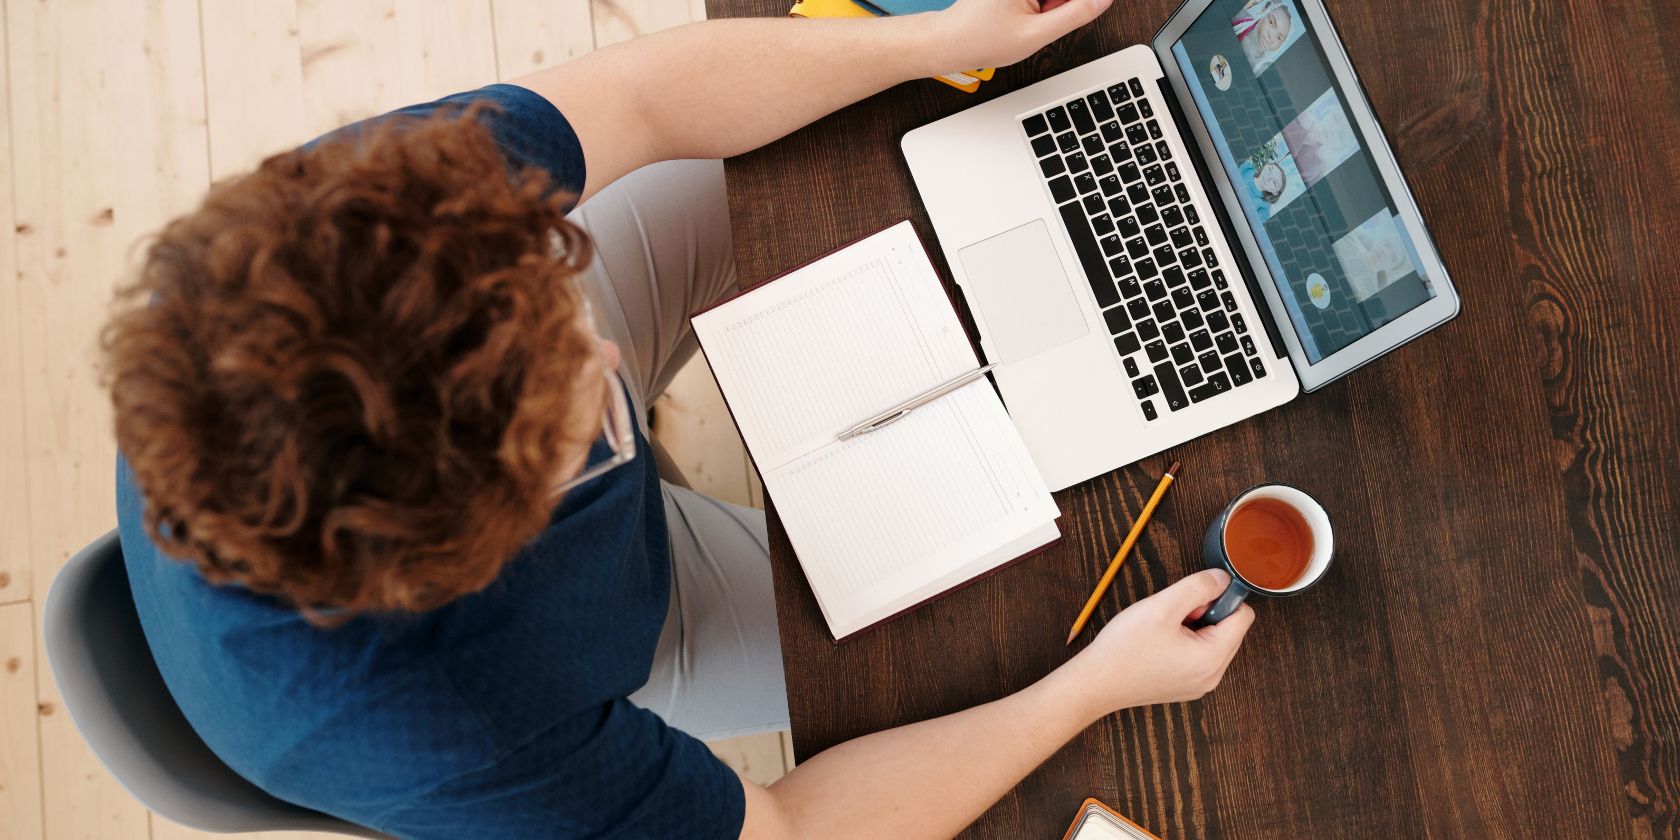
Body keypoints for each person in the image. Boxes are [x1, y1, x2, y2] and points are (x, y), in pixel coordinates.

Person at [101, 1, 1256, 838]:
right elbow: (793, 833)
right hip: (608, 636)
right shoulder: (476, 735)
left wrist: (932, 43)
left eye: (560, 311)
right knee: (994, 617)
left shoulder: (360, 236)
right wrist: (1091, 690)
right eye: (588, 413)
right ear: (499, 538)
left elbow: (650, 100)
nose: (607, 349)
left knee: (800, 133)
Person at [1233, 0, 1293, 70]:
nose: (1272, 38)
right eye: (1271, 22)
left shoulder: (1263, 68)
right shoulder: (1239, 17)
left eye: (1279, 38)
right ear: (1263, 10)